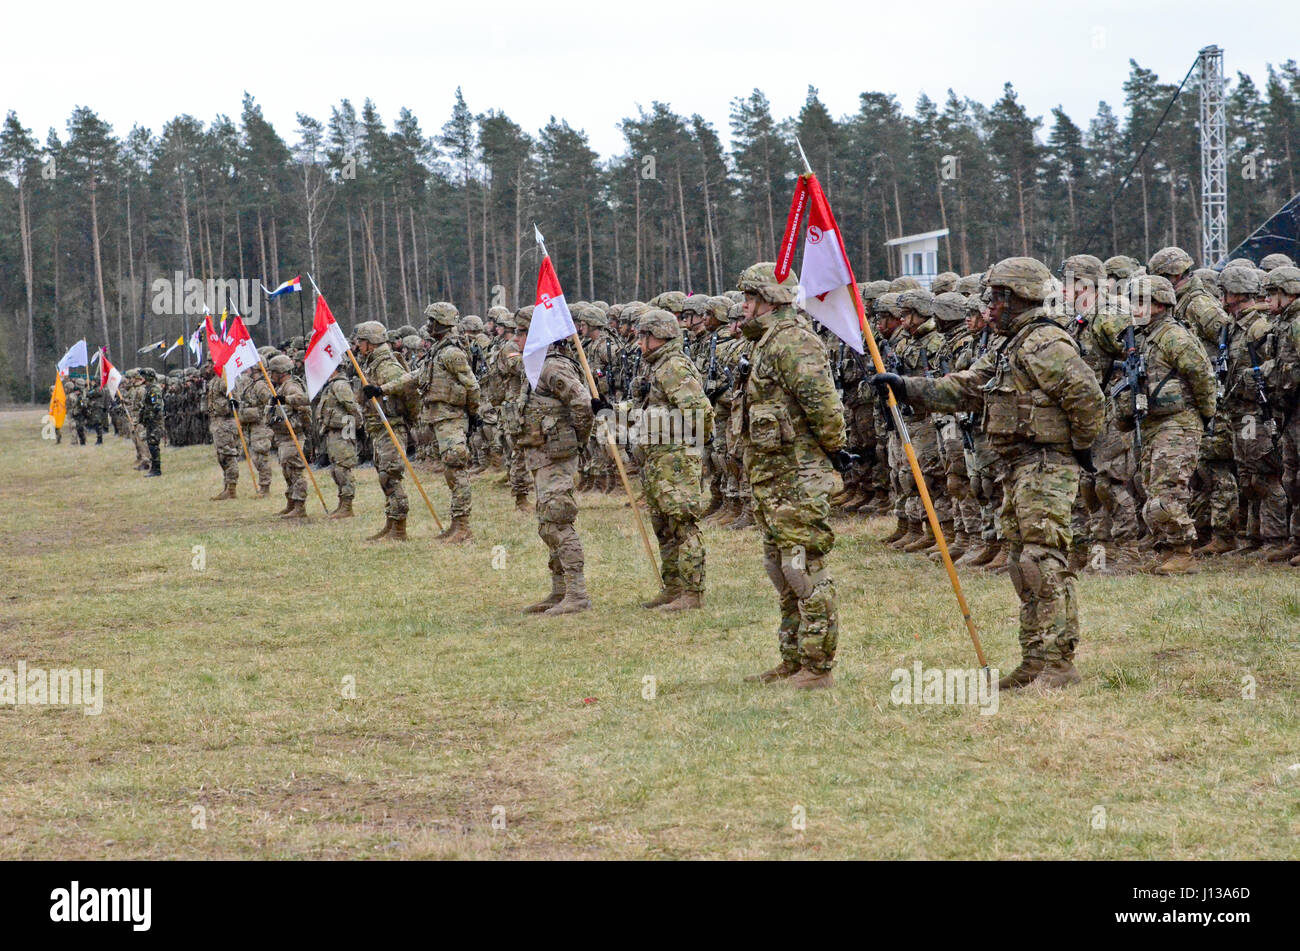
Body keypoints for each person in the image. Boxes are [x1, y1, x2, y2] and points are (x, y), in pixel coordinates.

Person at [874, 257, 1104, 690]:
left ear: (1018, 299)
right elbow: (965, 387)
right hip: (1017, 467)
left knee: (1043, 562)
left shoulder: (1044, 344)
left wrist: (1078, 449)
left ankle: (1059, 664)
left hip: (1045, 465)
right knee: (1021, 563)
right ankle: (1035, 660)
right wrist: (906, 386)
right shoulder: (1010, 344)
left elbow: (1087, 398)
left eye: (997, 298)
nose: (989, 307)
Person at [734, 263, 853, 690]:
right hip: (772, 477)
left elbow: (824, 408)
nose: (743, 306)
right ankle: (793, 658)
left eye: (749, 298)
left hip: (796, 477)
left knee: (803, 568)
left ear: (769, 298)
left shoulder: (794, 341)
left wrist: (833, 449)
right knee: (781, 570)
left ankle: (818, 667)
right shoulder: (769, 341)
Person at [1122, 276, 1216, 574]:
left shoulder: (1174, 336)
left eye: (1140, 301)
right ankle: (1168, 547)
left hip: (1179, 422)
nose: (1133, 308)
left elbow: (1202, 376)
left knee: (1168, 490)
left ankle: (1183, 552)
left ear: (1159, 304)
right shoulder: (1145, 336)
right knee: (1151, 486)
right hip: (1156, 423)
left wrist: (1203, 416)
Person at [368, 302, 480, 543]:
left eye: (432, 321)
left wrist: (473, 414)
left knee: (456, 470)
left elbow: (473, 386)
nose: (428, 326)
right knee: (451, 472)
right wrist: (381, 389)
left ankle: (463, 527)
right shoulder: (438, 351)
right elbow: (414, 376)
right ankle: (456, 525)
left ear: (443, 323)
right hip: (441, 418)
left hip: (452, 417)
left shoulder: (451, 352)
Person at [510, 308, 595, 615]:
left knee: (559, 519)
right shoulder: (535, 366)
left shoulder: (552, 367)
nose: (516, 338)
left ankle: (577, 594)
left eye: (521, 333)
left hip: (557, 456)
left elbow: (583, 403)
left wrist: (577, 440)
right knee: (547, 523)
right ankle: (559, 591)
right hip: (541, 455)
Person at [633, 308, 714, 612]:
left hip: (676, 459)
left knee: (682, 523)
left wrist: (686, 446)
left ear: (660, 337)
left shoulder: (673, 367)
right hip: (657, 459)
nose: (640, 341)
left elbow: (701, 414)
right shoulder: (655, 368)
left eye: (645, 335)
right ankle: (674, 587)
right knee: (663, 525)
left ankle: (692, 592)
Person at [354, 321, 412, 541]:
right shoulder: (372, 363)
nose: (358, 345)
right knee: (384, 476)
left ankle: (399, 529)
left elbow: (408, 384)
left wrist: (381, 389)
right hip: (379, 428)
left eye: (361, 341)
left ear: (371, 343)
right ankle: (391, 523)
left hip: (391, 426)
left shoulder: (386, 364)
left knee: (391, 476)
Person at [265, 354, 311, 519]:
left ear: (281, 372)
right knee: (287, 470)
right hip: (283, 437)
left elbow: (303, 400)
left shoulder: (291, 387)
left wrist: (286, 400)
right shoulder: (281, 386)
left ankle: (299, 505)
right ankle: (291, 502)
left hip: (293, 436)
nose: (271, 376)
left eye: (273, 372)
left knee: (295, 471)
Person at [318, 364, 361, 518]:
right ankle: (342, 503)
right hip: (334, 430)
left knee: (343, 466)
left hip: (343, 430)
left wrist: (355, 426)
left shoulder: (340, 385)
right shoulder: (331, 385)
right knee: (336, 468)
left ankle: (347, 506)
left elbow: (352, 408)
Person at [204, 359, 241, 499]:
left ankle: (231, 488)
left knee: (228, 455)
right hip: (217, 422)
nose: (208, 366)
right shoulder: (215, 379)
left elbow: (235, 400)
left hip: (226, 422)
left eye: (210, 363)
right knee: (221, 456)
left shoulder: (226, 378)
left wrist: (231, 405)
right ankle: (226, 486)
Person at [137, 368, 165, 477]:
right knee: (151, 444)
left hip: (155, 422)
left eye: (143, 377)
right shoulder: (148, 389)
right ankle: (154, 468)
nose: (141, 379)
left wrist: (150, 416)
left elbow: (156, 406)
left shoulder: (154, 389)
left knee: (153, 445)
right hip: (150, 422)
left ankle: (156, 469)